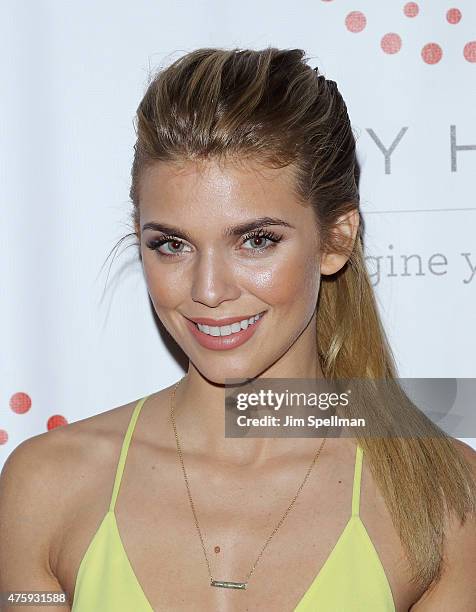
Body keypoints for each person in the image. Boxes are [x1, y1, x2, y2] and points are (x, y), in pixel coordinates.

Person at [1, 46, 475, 612]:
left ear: (336, 239)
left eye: (256, 240)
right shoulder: (47, 484)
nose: (207, 289)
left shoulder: (445, 499)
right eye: (171, 244)